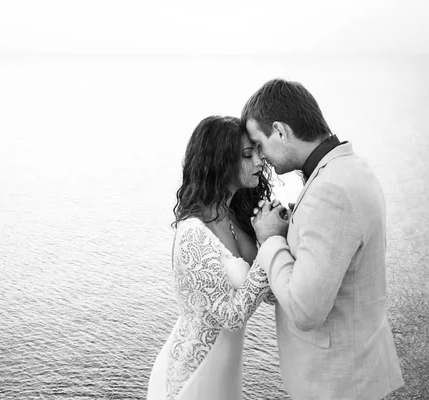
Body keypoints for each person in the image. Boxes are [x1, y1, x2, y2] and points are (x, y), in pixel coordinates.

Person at [242, 78, 404, 399]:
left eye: (259, 144)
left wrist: (271, 238)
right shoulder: (352, 167)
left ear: (280, 131)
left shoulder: (330, 189)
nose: (262, 158)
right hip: (358, 367)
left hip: (337, 382)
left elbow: (305, 311)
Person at [146, 115, 276, 400]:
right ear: (219, 161)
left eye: (258, 152)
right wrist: (269, 244)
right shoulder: (194, 232)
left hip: (227, 374)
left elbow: (269, 295)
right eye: (247, 154)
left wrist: (283, 238)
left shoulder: (238, 218)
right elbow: (230, 316)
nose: (259, 162)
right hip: (193, 373)